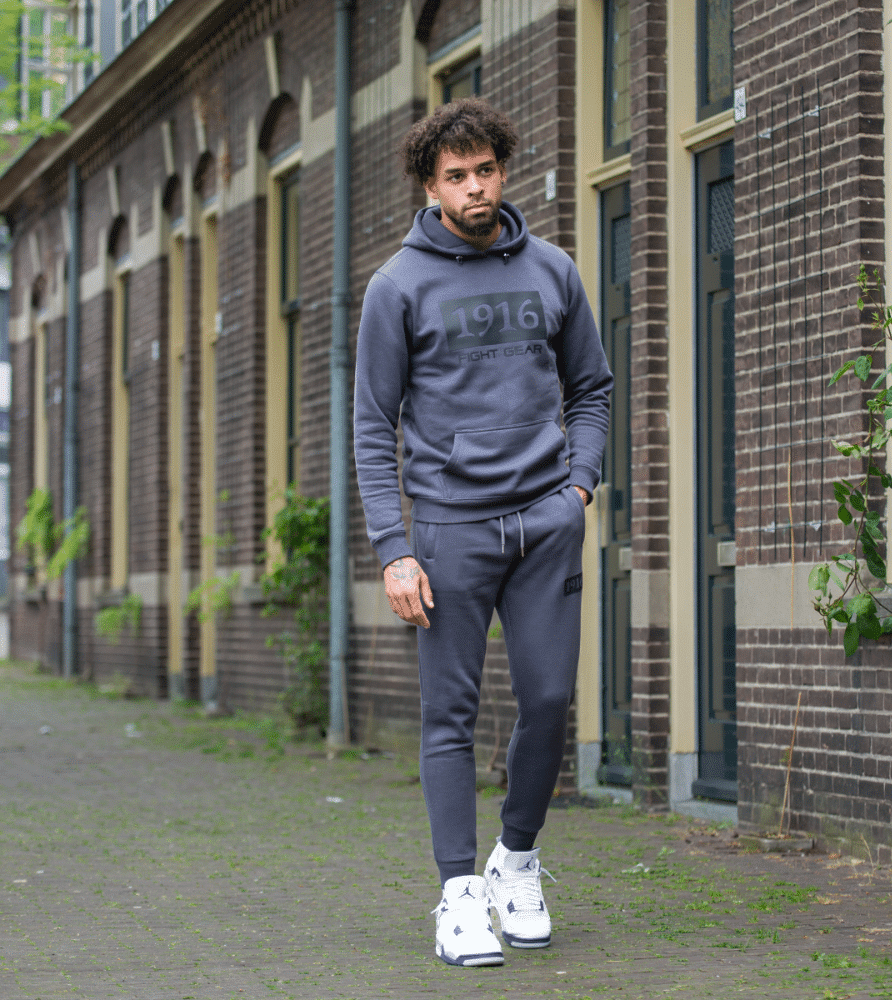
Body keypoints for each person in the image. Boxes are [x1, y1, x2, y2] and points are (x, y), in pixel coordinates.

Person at [353, 98, 613, 967]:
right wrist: (394, 550)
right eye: (456, 175)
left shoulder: (553, 270)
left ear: (504, 171)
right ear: (431, 188)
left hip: (546, 522)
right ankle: (459, 893)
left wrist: (578, 484)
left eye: (486, 170)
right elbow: (372, 425)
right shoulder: (397, 287)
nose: (475, 188)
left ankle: (518, 860)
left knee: (548, 700)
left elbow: (592, 388)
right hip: (449, 530)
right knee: (450, 717)